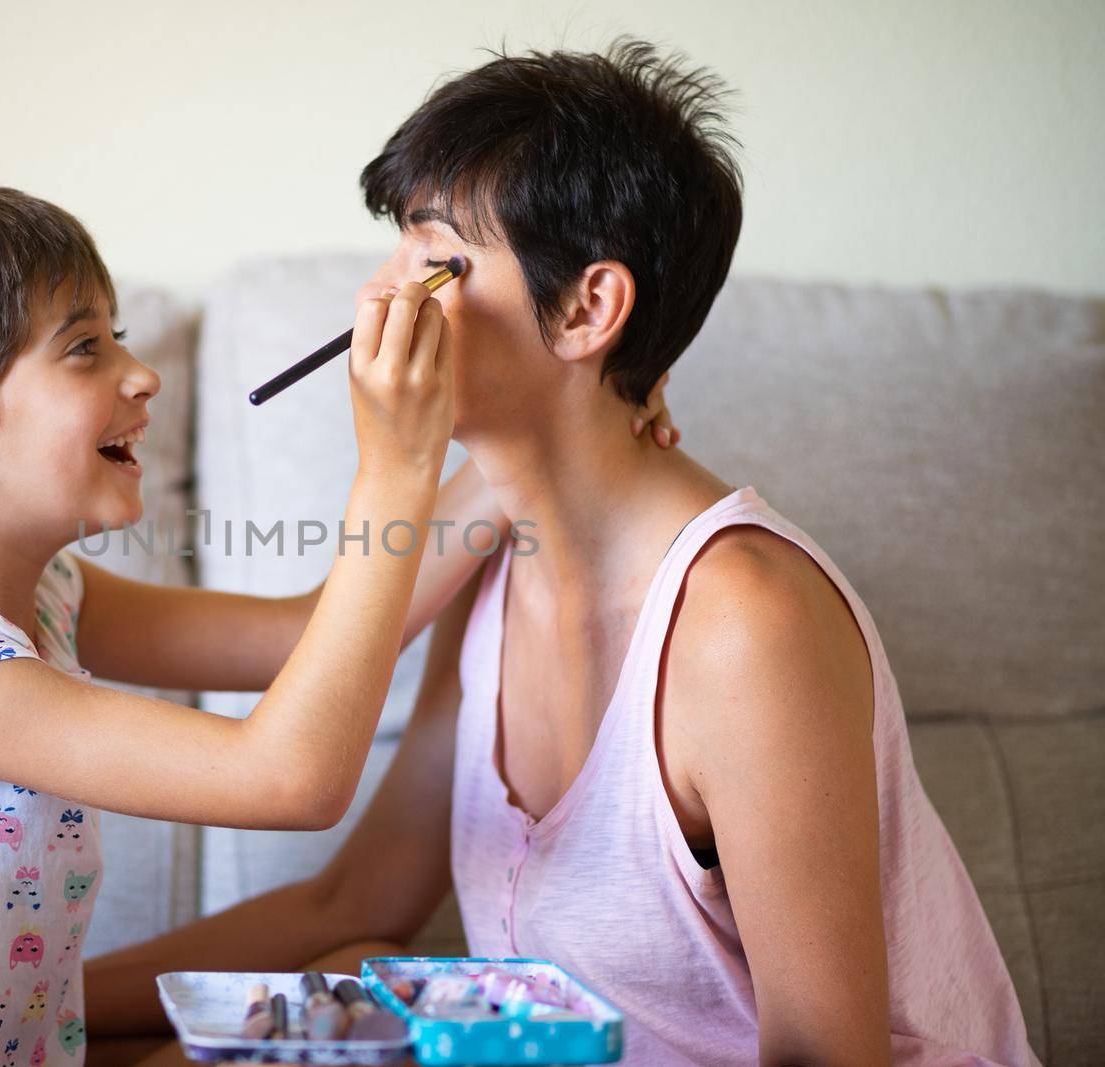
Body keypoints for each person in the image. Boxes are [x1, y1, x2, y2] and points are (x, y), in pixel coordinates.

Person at [85, 42, 1037, 1066]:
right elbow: (349, 899)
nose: (379, 299)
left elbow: (823, 1051)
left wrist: (395, 464)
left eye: (433, 258)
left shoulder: (744, 626)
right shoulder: (494, 556)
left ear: (587, 308)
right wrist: (21, 1010)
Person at [0, 184, 484, 1065]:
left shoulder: (43, 592)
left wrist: (520, 462)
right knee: (367, 1024)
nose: (142, 375)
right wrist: (396, 465)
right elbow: (294, 779)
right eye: (84, 348)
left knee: (366, 983)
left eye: (118, 337)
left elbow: (303, 636)